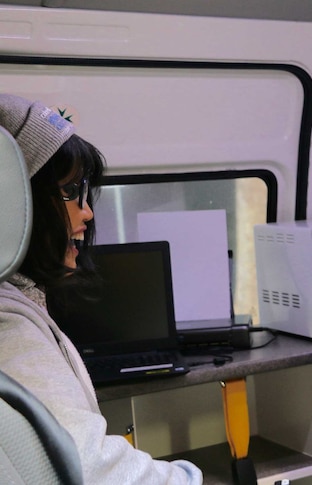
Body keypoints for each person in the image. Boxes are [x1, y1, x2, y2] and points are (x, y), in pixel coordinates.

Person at [0, 93, 203, 484]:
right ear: (17, 200)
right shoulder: (9, 328)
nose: (87, 212)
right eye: (69, 190)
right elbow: (85, 463)